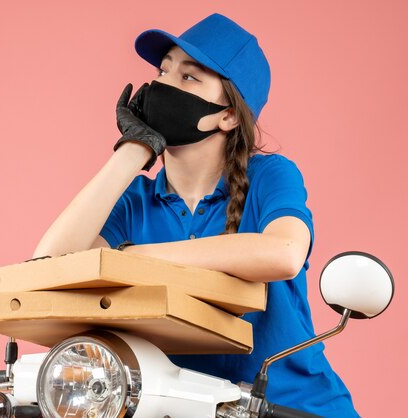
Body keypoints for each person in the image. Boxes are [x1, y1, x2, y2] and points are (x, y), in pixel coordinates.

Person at [33, 13, 359, 417]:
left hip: (290, 407)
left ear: (228, 115)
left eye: (188, 78)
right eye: (163, 70)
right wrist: (134, 150)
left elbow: (285, 253)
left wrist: (134, 258)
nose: (162, 85)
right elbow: (47, 268)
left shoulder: (269, 175)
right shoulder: (135, 198)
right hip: (185, 408)